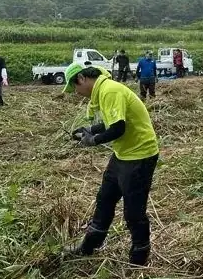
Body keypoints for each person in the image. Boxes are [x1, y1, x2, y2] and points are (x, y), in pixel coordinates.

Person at [63, 63, 159, 266]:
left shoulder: (110, 91)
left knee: (134, 212)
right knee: (105, 198)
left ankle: (139, 258)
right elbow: (110, 122)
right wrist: (90, 129)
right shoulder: (104, 90)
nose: (77, 94)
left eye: (75, 89)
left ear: (81, 79)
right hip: (123, 154)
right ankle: (89, 246)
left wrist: (93, 140)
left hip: (139, 156)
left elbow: (118, 128)